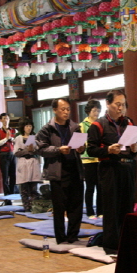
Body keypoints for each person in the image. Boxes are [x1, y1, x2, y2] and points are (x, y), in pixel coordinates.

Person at [87, 90, 137, 252]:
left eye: (123, 105)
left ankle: (126, 242)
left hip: (127, 168)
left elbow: (134, 150)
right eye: (117, 104)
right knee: (111, 207)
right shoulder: (98, 125)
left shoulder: (128, 123)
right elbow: (91, 150)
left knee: (127, 205)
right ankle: (111, 244)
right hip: (109, 169)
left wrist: (135, 148)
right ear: (108, 104)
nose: (120, 108)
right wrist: (108, 150)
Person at [36, 98, 85, 244]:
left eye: (68, 109)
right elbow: (41, 148)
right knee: (59, 207)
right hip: (57, 172)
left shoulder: (75, 127)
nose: (66, 112)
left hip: (75, 170)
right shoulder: (47, 129)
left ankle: (73, 235)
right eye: (63, 109)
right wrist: (58, 150)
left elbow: (81, 147)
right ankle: (60, 237)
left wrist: (82, 149)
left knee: (76, 205)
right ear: (55, 110)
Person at [80, 100, 102, 219]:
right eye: (94, 111)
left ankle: (100, 211)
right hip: (88, 160)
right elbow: (81, 142)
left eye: (98, 110)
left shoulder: (100, 123)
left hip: (99, 159)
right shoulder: (83, 125)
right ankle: (89, 212)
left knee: (100, 187)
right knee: (90, 187)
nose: (96, 113)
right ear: (88, 111)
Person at [13, 118, 41, 212]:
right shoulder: (18, 138)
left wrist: (33, 150)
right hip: (23, 163)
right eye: (26, 126)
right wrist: (26, 151)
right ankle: (26, 206)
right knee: (24, 188)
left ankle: (34, 206)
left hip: (33, 163)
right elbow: (16, 153)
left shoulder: (35, 137)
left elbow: (39, 150)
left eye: (30, 126)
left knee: (33, 187)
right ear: (23, 127)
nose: (29, 128)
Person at [0, 113, 18, 196]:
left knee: (13, 175)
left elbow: (17, 142)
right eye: (3, 118)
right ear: (0, 120)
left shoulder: (14, 131)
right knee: (5, 176)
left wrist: (11, 138)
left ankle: (12, 193)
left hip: (13, 154)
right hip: (3, 155)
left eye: (7, 118)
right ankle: (7, 196)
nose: (5, 120)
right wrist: (5, 139)